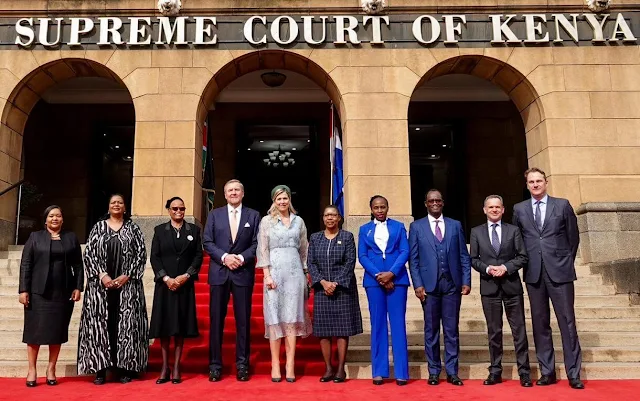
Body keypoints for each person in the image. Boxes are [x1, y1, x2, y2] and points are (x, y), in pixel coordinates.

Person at [512, 168, 584, 390]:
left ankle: (574, 373)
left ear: (546, 182)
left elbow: (573, 238)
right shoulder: (519, 209)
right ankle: (547, 371)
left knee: (567, 322)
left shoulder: (562, 205)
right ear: (527, 185)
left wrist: (564, 261)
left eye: (539, 181)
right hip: (534, 274)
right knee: (540, 323)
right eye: (531, 182)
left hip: (560, 272)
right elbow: (517, 240)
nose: (535, 184)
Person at [77, 194, 149, 385]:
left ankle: (126, 369)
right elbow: (89, 254)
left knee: (126, 326)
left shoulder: (133, 229)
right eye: (113, 203)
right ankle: (100, 370)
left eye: (120, 203)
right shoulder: (98, 228)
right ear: (108, 207)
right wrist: (103, 276)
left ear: (125, 207)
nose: (116, 205)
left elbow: (141, 255)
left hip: (128, 287)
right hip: (101, 288)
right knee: (101, 327)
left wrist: (127, 275)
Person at [408, 189, 471, 386]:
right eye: (431, 201)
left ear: (442, 203)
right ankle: (434, 371)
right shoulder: (416, 227)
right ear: (426, 204)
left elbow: (463, 256)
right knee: (431, 330)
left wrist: (466, 280)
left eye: (437, 200)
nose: (434, 203)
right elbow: (413, 259)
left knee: (451, 330)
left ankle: (452, 371)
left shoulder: (455, 225)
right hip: (429, 287)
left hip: (452, 284)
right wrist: (417, 284)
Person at [470, 195, 532, 387]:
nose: (494, 210)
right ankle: (495, 371)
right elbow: (473, 259)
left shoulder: (513, 230)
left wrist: (506, 267)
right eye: (491, 207)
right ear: (485, 210)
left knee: (519, 331)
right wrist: (488, 269)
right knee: (494, 332)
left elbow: (522, 256)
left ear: (503, 209)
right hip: (489, 288)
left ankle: (524, 372)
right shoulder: (476, 232)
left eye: (497, 207)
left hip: (511, 286)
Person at [18, 205, 83, 387]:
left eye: (58, 216)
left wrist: (78, 286)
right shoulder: (35, 237)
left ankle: (51, 368)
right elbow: (26, 264)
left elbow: (78, 265)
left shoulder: (70, 237)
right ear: (45, 220)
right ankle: (32, 370)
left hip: (62, 292)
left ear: (63, 219)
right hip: (37, 292)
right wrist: (23, 290)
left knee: (56, 331)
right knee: (34, 332)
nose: (55, 218)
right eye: (51, 216)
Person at [203, 179, 260, 382]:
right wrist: (225, 257)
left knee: (243, 322)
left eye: (237, 190)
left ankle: (242, 364)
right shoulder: (214, 215)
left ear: (242, 193)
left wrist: (241, 258)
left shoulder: (253, 215)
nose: (233, 193)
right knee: (216, 321)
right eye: (230, 190)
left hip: (242, 273)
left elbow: (257, 243)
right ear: (225, 194)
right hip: (219, 272)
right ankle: (215, 365)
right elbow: (207, 241)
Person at [257, 185, 312, 383]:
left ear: (290, 200)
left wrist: (306, 273)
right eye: (278, 198)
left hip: (295, 274)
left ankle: (290, 365)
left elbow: (304, 250)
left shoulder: (299, 221)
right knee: (274, 318)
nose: (282, 202)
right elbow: (263, 249)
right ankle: (275, 364)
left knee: (291, 319)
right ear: (274, 201)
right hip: (274, 273)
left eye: (285, 198)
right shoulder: (266, 221)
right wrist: (267, 275)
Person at [149, 197, 203, 384]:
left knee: (180, 326)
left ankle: (177, 366)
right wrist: (166, 278)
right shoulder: (159, 231)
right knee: (164, 326)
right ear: (169, 210)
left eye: (181, 208)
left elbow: (198, 256)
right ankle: (165, 367)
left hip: (184, 285)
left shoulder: (193, 230)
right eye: (175, 208)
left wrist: (186, 276)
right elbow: (155, 257)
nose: (178, 211)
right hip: (165, 285)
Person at [358, 195, 409, 386]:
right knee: (377, 324)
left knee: (398, 324)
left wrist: (391, 274)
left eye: (383, 207)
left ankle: (401, 372)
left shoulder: (398, 227)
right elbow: (362, 255)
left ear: (388, 208)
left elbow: (405, 251)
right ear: (371, 209)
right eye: (376, 207)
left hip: (397, 280)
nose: (380, 210)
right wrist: (379, 275)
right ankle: (379, 371)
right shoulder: (364, 229)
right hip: (374, 281)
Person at [308, 205, 362, 383]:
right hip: (322, 289)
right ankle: (328, 368)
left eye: (333, 215)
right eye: (327, 215)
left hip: (342, 290)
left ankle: (340, 369)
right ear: (323, 218)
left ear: (339, 218)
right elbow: (311, 263)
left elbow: (350, 262)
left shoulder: (347, 237)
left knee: (342, 330)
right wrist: (323, 282)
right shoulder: (315, 238)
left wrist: (335, 283)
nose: (330, 218)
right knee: (323, 331)